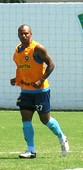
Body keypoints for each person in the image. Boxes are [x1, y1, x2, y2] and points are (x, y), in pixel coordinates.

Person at [10, 24, 69, 159]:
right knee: (25, 117)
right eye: (21, 34)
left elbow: (51, 65)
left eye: (26, 33)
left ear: (31, 34)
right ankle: (31, 150)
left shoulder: (38, 49)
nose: (24, 36)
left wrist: (41, 80)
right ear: (18, 35)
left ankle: (62, 137)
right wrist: (17, 79)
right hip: (26, 91)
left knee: (45, 120)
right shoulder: (18, 50)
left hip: (41, 91)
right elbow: (22, 67)